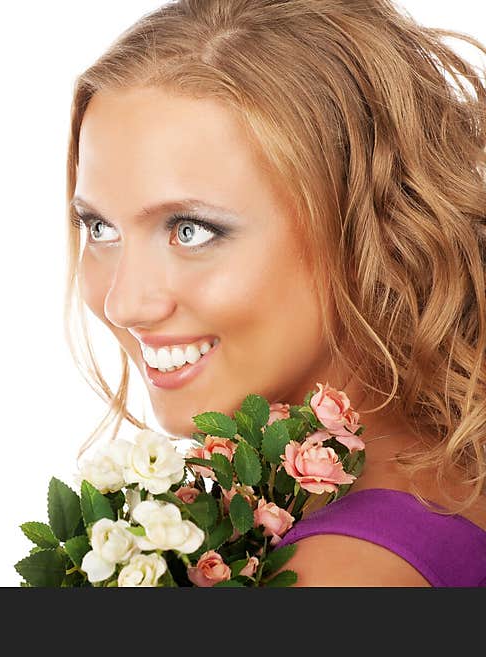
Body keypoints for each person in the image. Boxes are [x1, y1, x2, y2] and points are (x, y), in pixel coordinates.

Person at [64, 0, 486, 586]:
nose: (124, 303)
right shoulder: (441, 478)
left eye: (191, 230)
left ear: (365, 229)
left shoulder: (341, 574)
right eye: (99, 227)